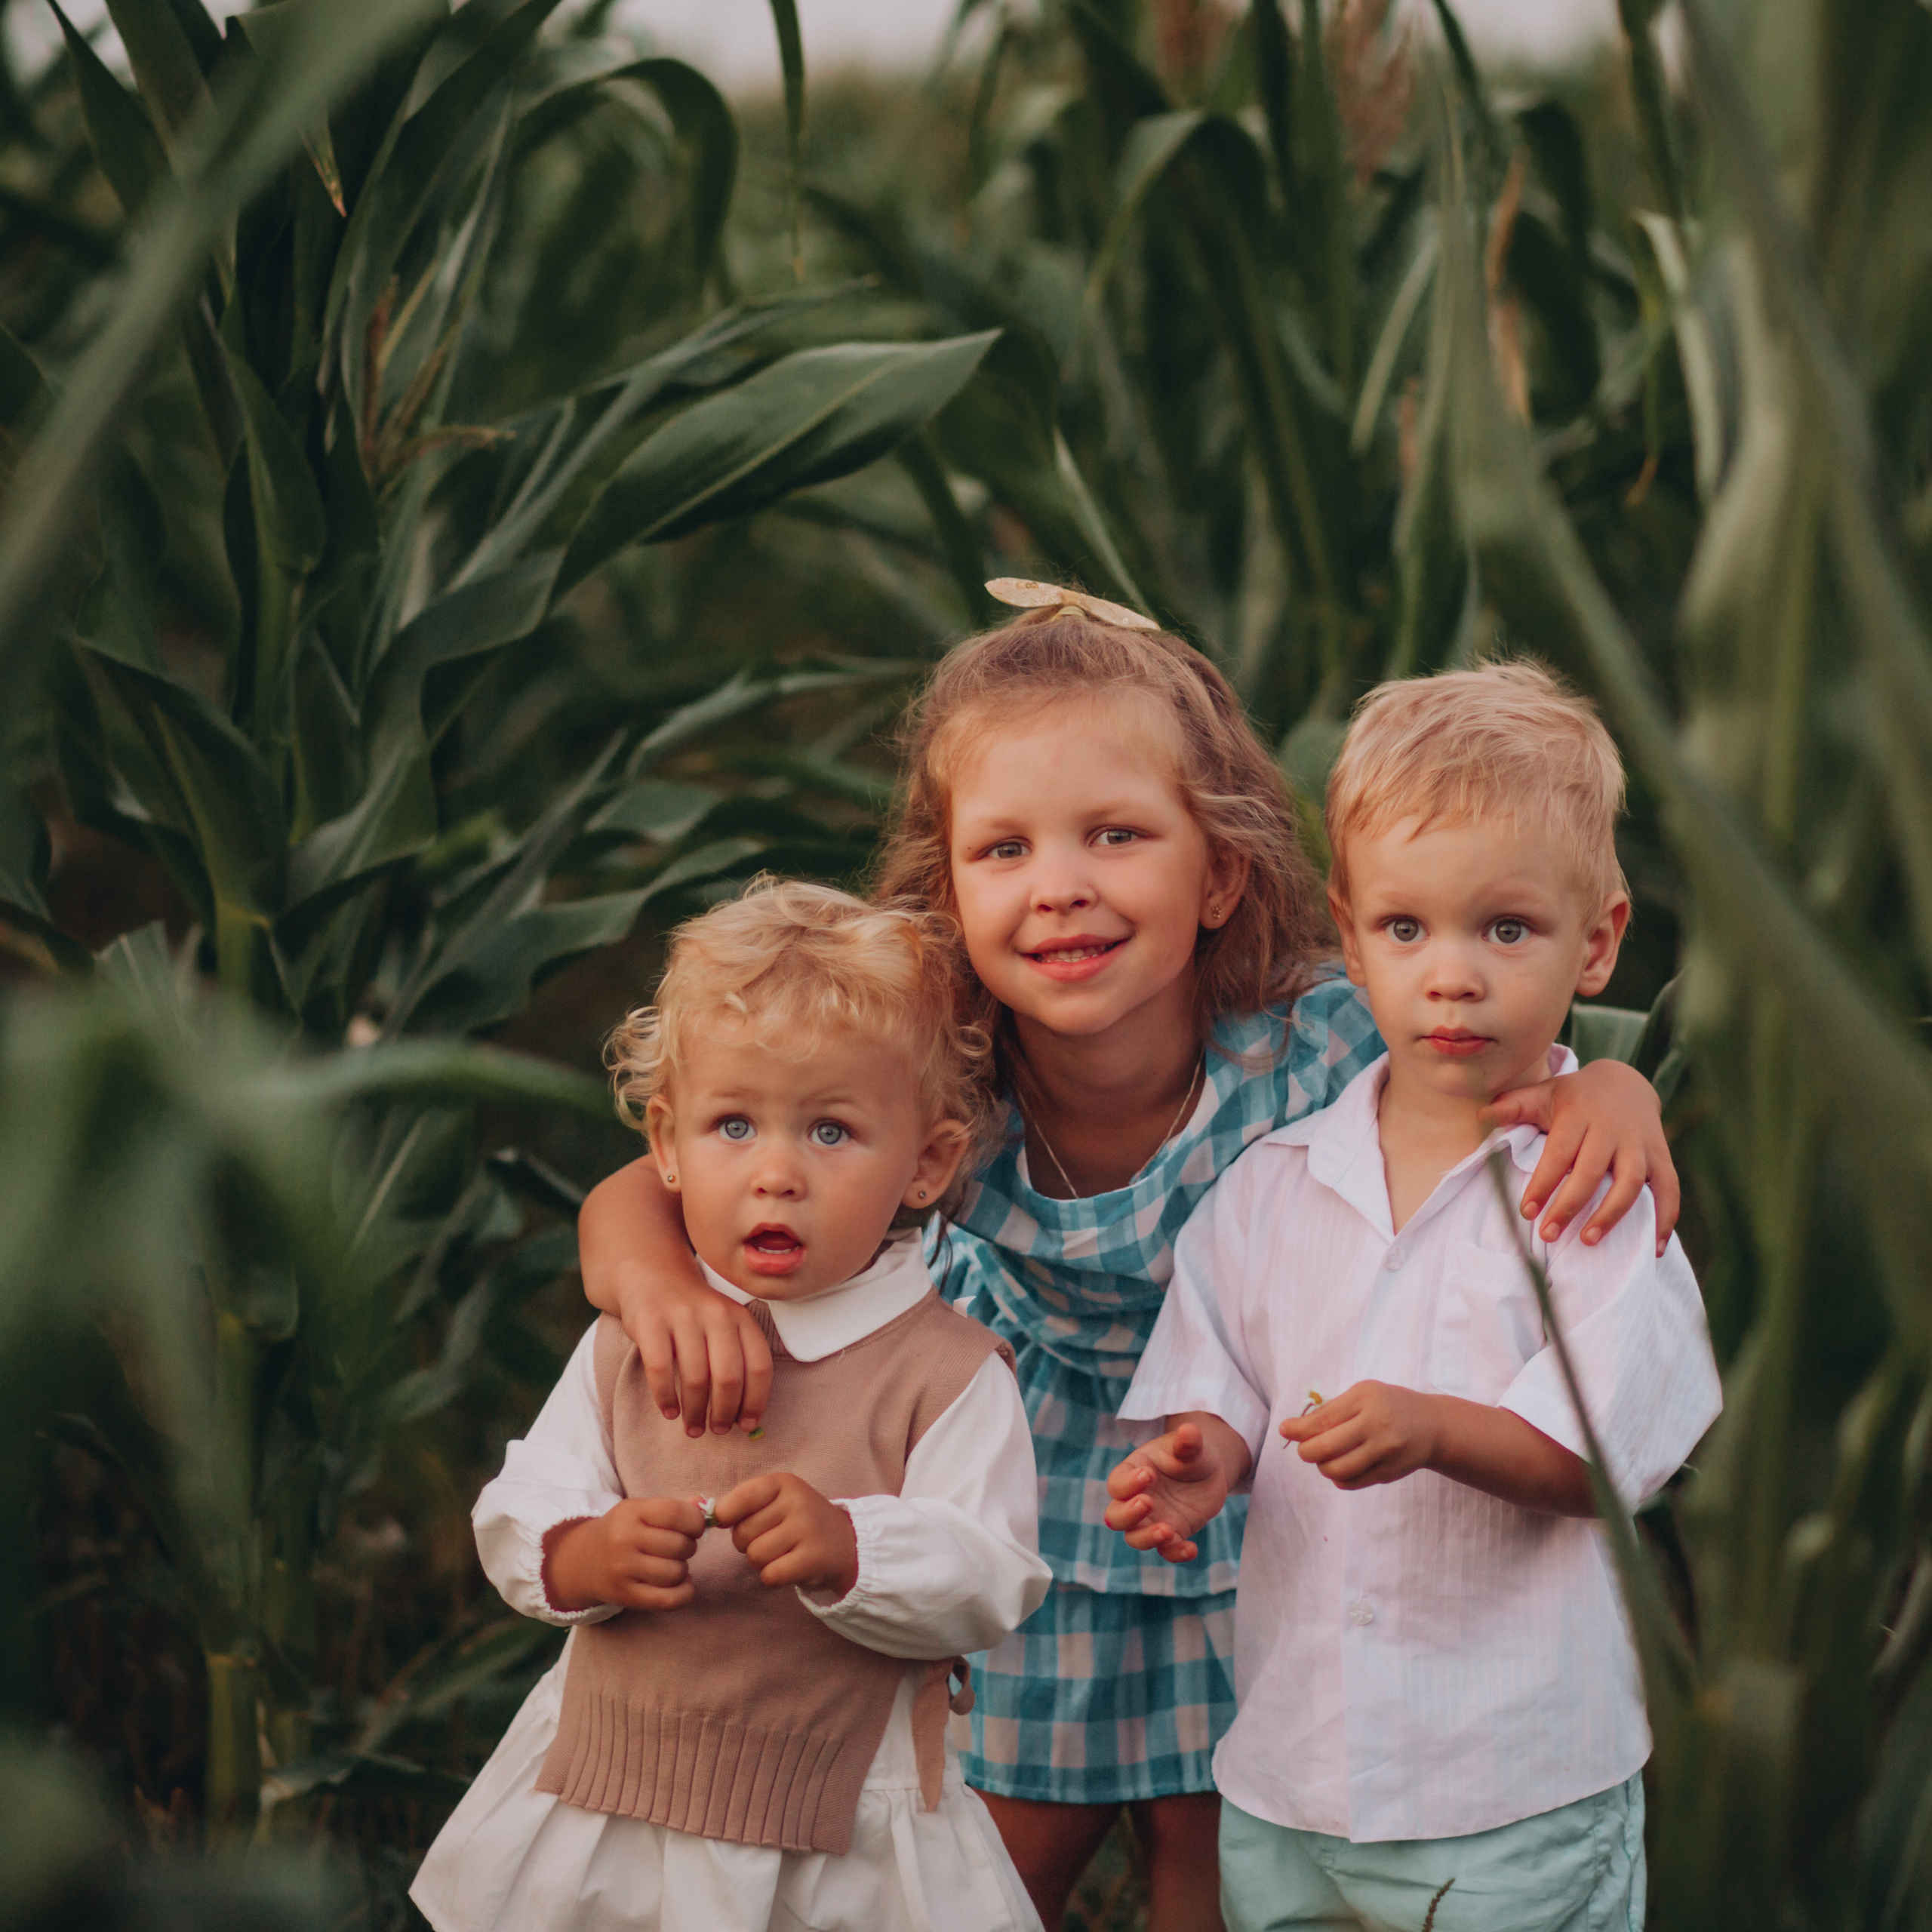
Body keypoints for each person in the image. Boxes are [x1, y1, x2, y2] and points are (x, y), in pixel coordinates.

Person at [574, 587, 1685, 1931]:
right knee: (997, 1855)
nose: (1062, 888)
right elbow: (643, 1188)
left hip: (1274, 1482)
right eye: (1004, 850)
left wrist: (1614, 1093)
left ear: (1217, 871)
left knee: (1214, 1857)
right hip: (1040, 1477)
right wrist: (655, 1284)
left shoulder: (1317, 1043)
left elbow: (1511, 1065)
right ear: (949, 889)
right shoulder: (938, 1076)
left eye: (1116, 835)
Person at [1103, 662, 1723, 1932]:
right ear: (1349, 931)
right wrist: (1198, 1455)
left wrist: (1432, 1427)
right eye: (1406, 930)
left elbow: (1597, 1457)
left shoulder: (1590, 1202)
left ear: (1596, 941)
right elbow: (1219, 1375)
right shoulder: (1272, 1188)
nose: (1452, 976)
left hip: (1511, 1796)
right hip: (1292, 1779)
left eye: (1506, 930)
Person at [411, 880, 1052, 1932]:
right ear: (665, 1145)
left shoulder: (945, 1370)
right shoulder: (633, 1341)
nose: (776, 1175)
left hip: (836, 1826)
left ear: (928, 1162)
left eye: (833, 1132)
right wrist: (583, 1553)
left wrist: (853, 1546)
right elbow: (530, 1495)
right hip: (615, 1797)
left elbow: (991, 1573)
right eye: (734, 1125)